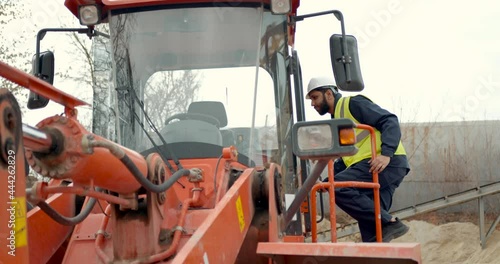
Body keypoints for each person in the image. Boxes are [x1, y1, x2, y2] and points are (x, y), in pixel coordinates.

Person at [306, 76, 410, 242]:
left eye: (315, 97)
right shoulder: (337, 121)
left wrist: (386, 154)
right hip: (376, 165)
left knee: (339, 188)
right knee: (373, 231)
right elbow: (347, 158)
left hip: (384, 163)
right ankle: (384, 233)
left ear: (329, 94)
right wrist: (328, 180)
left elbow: (389, 120)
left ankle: (390, 222)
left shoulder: (352, 104)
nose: (312, 104)